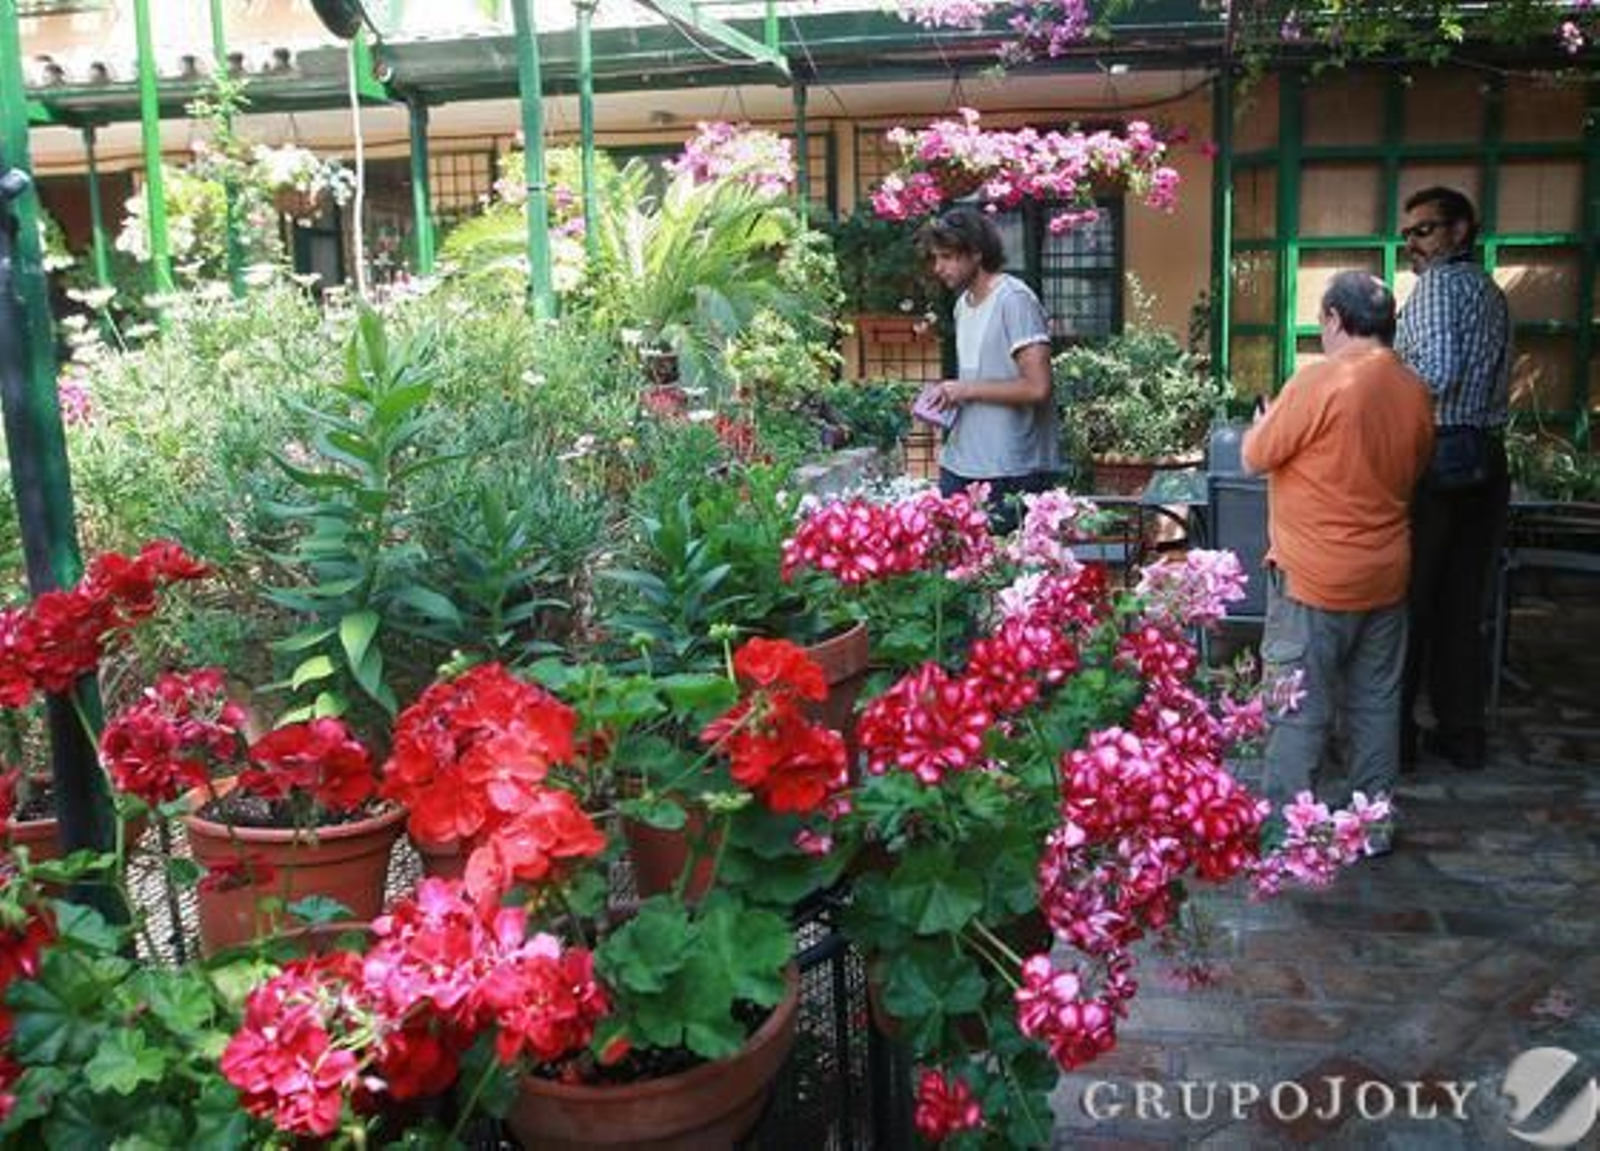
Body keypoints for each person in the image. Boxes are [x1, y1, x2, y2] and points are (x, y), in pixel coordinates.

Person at [1242, 272, 1435, 839]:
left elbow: (1255, 457)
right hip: (1386, 574)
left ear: (1332, 319)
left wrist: (1265, 421)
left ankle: (1287, 829)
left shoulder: (1319, 381)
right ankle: (1371, 827)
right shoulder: (1414, 389)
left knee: (1298, 707)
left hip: (1314, 577)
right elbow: (1415, 468)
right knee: (1377, 705)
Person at [1394, 187, 1512, 772]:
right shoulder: (1491, 290)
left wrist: (1382, 385)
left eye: (1425, 230)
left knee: (1409, 600)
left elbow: (1434, 374)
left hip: (1439, 455)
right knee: (1464, 604)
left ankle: (1396, 740)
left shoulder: (1439, 285)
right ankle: (1462, 734)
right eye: (1407, 234)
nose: (1412, 243)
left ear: (1461, 230)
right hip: (1487, 459)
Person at [918, 207, 1059, 532]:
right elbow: (978, 379)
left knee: (1004, 578)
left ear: (977, 254)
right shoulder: (961, 305)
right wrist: (945, 396)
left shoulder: (1014, 300)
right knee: (955, 576)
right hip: (960, 464)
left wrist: (965, 389)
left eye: (948, 256)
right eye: (935, 257)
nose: (938, 267)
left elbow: (1038, 387)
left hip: (1010, 470)